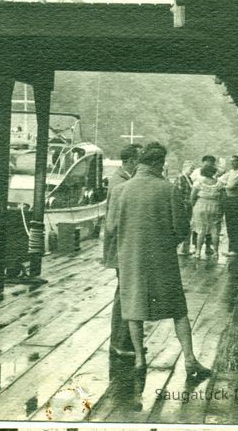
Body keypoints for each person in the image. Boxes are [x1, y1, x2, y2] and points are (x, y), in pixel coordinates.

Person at [112, 142, 211, 402]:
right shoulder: (168, 190)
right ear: (158, 163)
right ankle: (190, 360)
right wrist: (167, 242)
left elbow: (111, 227)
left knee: (133, 310)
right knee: (178, 310)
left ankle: (140, 361)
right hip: (162, 259)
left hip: (131, 258)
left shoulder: (120, 190)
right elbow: (182, 227)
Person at [102, 143, 142, 397]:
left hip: (123, 247)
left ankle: (122, 340)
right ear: (129, 161)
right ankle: (119, 342)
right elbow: (113, 224)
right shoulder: (119, 184)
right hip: (121, 248)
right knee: (123, 293)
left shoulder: (123, 180)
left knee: (123, 292)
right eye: (138, 160)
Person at [190, 162, 225, 260]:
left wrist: (194, 207)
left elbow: (192, 197)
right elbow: (223, 198)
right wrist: (221, 209)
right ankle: (216, 253)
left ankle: (197, 252)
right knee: (215, 231)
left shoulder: (199, 182)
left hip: (200, 206)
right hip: (215, 206)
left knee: (200, 231)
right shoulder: (219, 184)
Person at [218, 155, 238, 256]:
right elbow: (220, 180)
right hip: (228, 200)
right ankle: (232, 248)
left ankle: (236, 249)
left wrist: (226, 185)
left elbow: (232, 186)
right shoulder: (230, 172)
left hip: (236, 200)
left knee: (235, 224)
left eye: (234, 161)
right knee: (229, 224)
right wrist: (226, 185)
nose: (232, 163)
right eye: (231, 162)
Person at [190, 154, 217, 255]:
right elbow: (191, 182)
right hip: (198, 197)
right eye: (207, 161)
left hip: (208, 199)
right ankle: (195, 246)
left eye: (211, 162)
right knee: (197, 226)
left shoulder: (214, 173)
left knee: (210, 227)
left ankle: (208, 246)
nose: (209, 163)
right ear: (203, 162)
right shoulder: (197, 171)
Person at [175, 160, 195, 256]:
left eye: (193, 169)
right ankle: (182, 248)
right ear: (185, 168)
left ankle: (185, 248)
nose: (192, 171)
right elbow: (178, 193)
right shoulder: (181, 178)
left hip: (188, 206)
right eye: (191, 169)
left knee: (188, 226)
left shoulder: (189, 179)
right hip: (183, 206)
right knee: (183, 226)